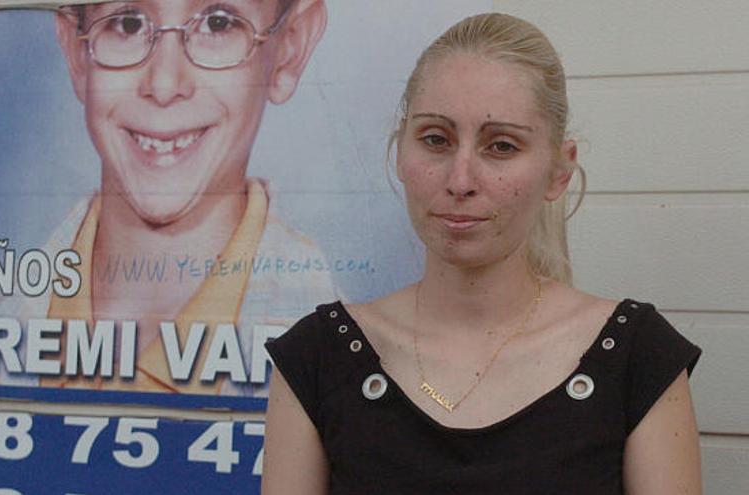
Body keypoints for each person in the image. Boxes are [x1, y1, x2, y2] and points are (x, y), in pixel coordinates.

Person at [262, 13, 702, 494]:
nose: (460, 180)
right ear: (399, 153)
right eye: (436, 139)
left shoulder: (637, 359)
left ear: (559, 171)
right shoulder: (317, 358)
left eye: (501, 146)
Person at [0, 0, 335, 396]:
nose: (163, 85)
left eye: (219, 22)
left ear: (289, 49)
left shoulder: (339, 363)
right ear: (75, 51)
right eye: (126, 23)